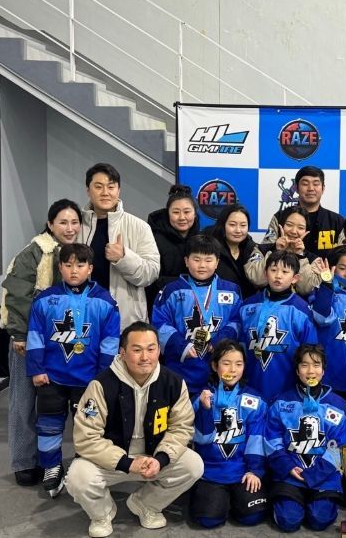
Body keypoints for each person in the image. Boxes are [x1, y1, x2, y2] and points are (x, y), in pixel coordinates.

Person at [66, 322, 204, 538]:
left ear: (158, 351)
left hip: (153, 456)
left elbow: (182, 427)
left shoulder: (174, 383)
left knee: (193, 465)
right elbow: (86, 438)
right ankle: (102, 514)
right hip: (112, 460)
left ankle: (146, 504)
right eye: (137, 350)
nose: (145, 357)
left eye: (151, 349)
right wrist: (127, 463)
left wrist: (161, 459)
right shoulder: (100, 385)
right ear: (122, 353)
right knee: (78, 477)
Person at [25, 243, 120, 497]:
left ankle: (82, 467)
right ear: (60, 268)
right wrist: (36, 369)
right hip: (51, 378)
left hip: (89, 381)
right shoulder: (45, 300)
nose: (73, 270)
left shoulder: (105, 301)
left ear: (90, 268)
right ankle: (51, 467)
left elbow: (110, 342)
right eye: (68, 265)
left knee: (87, 426)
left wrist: (102, 377)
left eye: (80, 265)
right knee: (48, 425)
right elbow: (35, 336)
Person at [1, 199, 82, 486]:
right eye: (63, 222)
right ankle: (24, 462)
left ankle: (51, 460)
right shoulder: (34, 252)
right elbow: (16, 296)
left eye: (74, 222)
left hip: (60, 341)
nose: (69, 228)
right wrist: (20, 335)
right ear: (50, 224)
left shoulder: (75, 252)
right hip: (27, 340)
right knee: (23, 401)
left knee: (52, 403)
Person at [264, 344, 346, 532]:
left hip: (324, 476)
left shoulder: (338, 404)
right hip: (290, 474)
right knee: (288, 521)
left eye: (316, 365)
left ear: (323, 370)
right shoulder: (281, 402)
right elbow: (272, 439)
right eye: (304, 365)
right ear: (297, 370)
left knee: (319, 519)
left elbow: (339, 446)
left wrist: (314, 474)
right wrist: (287, 466)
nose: (311, 371)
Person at [151, 234, 242, 398]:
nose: (202, 265)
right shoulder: (171, 290)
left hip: (219, 372)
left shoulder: (231, 290)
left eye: (208, 260)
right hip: (181, 371)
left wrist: (219, 342)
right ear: (186, 261)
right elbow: (159, 324)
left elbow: (237, 321)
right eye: (196, 259)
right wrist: (182, 347)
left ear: (217, 262)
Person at [191, 340, 269, 528]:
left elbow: (256, 440)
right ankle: (219, 500)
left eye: (238, 364)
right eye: (226, 363)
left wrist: (254, 471)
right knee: (208, 520)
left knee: (253, 517)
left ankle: (233, 500)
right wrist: (204, 409)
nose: (232, 370)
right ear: (214, 365)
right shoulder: (201, 398)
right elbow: (201, 439)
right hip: (209, 472)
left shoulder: (255, 400)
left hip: (241, 471)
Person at [79, 162, 160, 328]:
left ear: (119, 190)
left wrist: (124, 258)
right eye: (98, 187)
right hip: (83, 317)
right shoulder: (75, 225)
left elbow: (151, 273)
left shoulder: (139, 226)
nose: (105, 192)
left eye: (111, 187)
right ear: (88, 190)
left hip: (125, 321)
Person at [239, 250, 318, 401]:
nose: (278, 276)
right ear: (265, 273)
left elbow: (310, 351)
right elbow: (239, 347)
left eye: (285, 272)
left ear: (295, 278)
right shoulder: (248, 305)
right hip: (250, 386)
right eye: (273, 270)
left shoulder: (301, 310)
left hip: (288, 389)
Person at [308, 247, 346, 400]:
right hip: (327, 371)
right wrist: (327, 285)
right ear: (333, 268)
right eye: (342, 268)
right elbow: (322, 318)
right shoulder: (323, 291)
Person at [262, 166, 344, 258]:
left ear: (323, 188)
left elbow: (345, 257)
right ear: (296, 188)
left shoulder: (336, 221)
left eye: (316, 184)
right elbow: (264, 249)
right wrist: (276, 248)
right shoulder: (280, 217)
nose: (311, 188)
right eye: (305, 184)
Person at [145, 184, 200, 314]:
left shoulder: (200, 240)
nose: (182, 217)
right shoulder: (152, 239)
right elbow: (150, 279)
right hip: (161, 307)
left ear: (195, 214)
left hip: (194, 309)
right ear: (167, 213)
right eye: (176, 212)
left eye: (187, 212)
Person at [246, 205, 323, 296]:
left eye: (300, 228)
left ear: (307, 231)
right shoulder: (261, 250)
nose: (294, 231)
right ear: (281, 226)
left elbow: (305, 289)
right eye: (289, 225)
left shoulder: (314, 260)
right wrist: (276, 251)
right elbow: (257, 280)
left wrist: (300, 255)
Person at [207, 203, 260, 299]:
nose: (238, 230)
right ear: (223, 224)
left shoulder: (252, 249)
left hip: (246, 305)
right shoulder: (209, 249)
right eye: (232, 225)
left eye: (243, 225)